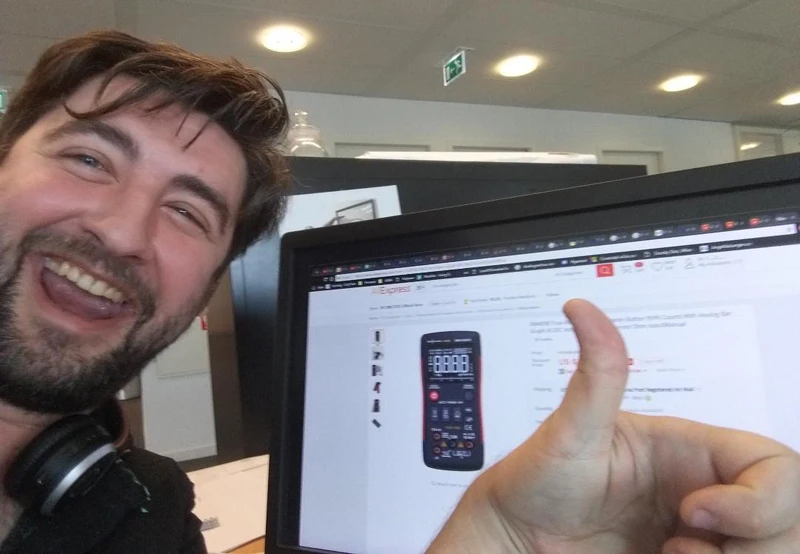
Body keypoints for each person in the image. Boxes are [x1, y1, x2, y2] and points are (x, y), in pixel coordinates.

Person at [0, 30, 797, 554]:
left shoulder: (144, 517)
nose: (125, 232)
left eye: (187, 212)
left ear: (208, 284)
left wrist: (498, 536)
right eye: (89, 159)